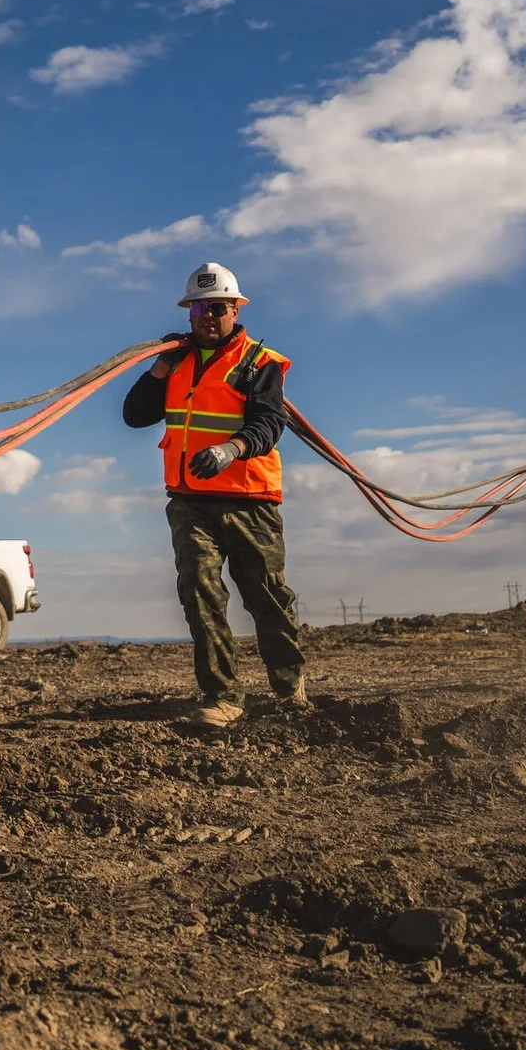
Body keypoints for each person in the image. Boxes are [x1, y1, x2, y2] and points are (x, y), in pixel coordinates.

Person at [121, 262, 307, 727]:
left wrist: (231, 449)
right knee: (200, 593)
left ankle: (289, 687)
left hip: (250, 500)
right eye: (200, 307)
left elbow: (269, 422)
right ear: (189, 313)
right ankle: (222, 696)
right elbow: (134, 415)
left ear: (235, 310)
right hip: (190, 500)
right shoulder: (177, 363)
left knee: (266, 596)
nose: (209, 316)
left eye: (218, 307)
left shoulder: (259, 363)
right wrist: (159, 369)